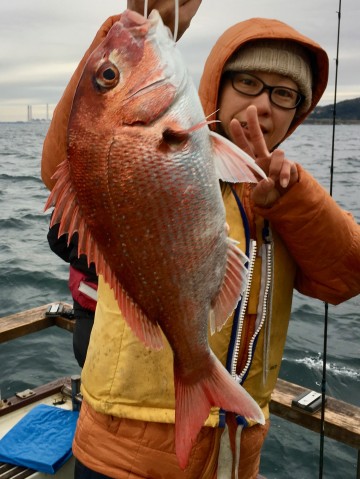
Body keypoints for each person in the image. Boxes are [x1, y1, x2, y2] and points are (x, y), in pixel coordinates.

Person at [41, 4, 360, 479]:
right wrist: (131, 27)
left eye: (285, 94)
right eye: (247, 83)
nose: (263, 104)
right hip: (119, 451)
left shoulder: (290, 192)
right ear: (217, 82)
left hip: (231, 457)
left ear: (300, 111)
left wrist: (289, 202)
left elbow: (346, 276)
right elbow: (73, 157)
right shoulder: (168, 144)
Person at [47, 221, 98, 367]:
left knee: (90, 362)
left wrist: (80, 257)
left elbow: (57, 240)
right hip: (140, 304)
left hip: (90, 298)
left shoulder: (77, 198)